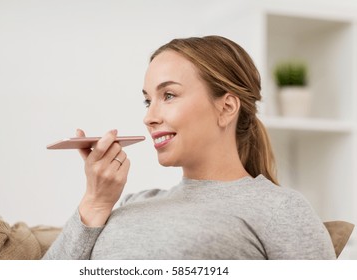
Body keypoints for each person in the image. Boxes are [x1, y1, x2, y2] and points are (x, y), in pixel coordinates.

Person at [43, 36, 336, 260]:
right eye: (148, 100)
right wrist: (95, 202)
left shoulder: (279, 208)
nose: (149, 117)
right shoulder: (131, 202)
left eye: (168, 95)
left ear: (226, 107)